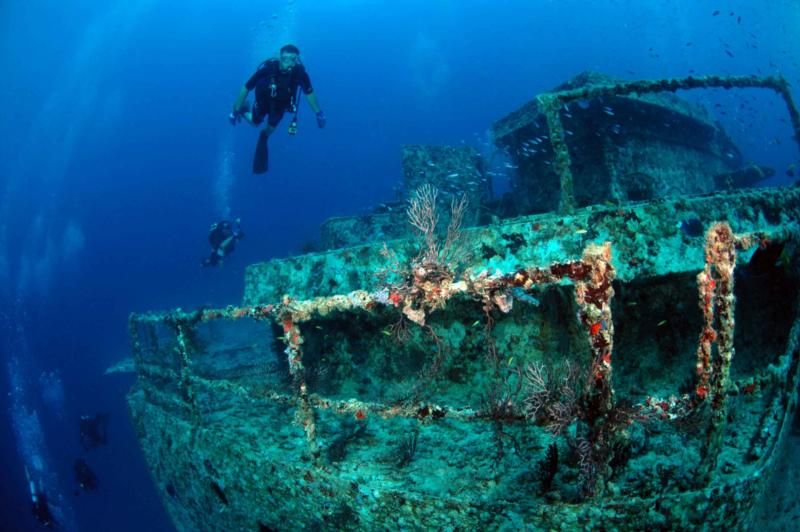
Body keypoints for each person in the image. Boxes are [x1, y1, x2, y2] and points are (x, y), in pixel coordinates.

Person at [229, 44, 326, 173]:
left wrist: (319, 113)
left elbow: (309, 93)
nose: (289, 63)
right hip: (263, 101)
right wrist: (235, 111)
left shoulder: (300, 74)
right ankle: (244, 110)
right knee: (254, 123)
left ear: (297, 60)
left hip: (281, 106)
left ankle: (263, 136)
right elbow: (246, 87)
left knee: (269, 130)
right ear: (280, 57)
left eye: (293, 59)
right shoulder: (267, 70)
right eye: (285, 58)